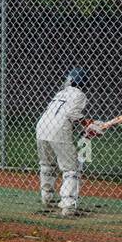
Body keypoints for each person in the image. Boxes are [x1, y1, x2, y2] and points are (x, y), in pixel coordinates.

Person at [35, 67, 101, 217]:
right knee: (71, 168)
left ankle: (47, 197)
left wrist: (85, 123)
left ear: (71, 80)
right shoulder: (80, 94)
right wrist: (87, 123)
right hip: (59, 129)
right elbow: (72, 114)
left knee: (46, 164)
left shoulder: (61, 93)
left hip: (42, 127)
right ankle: (68, 204)